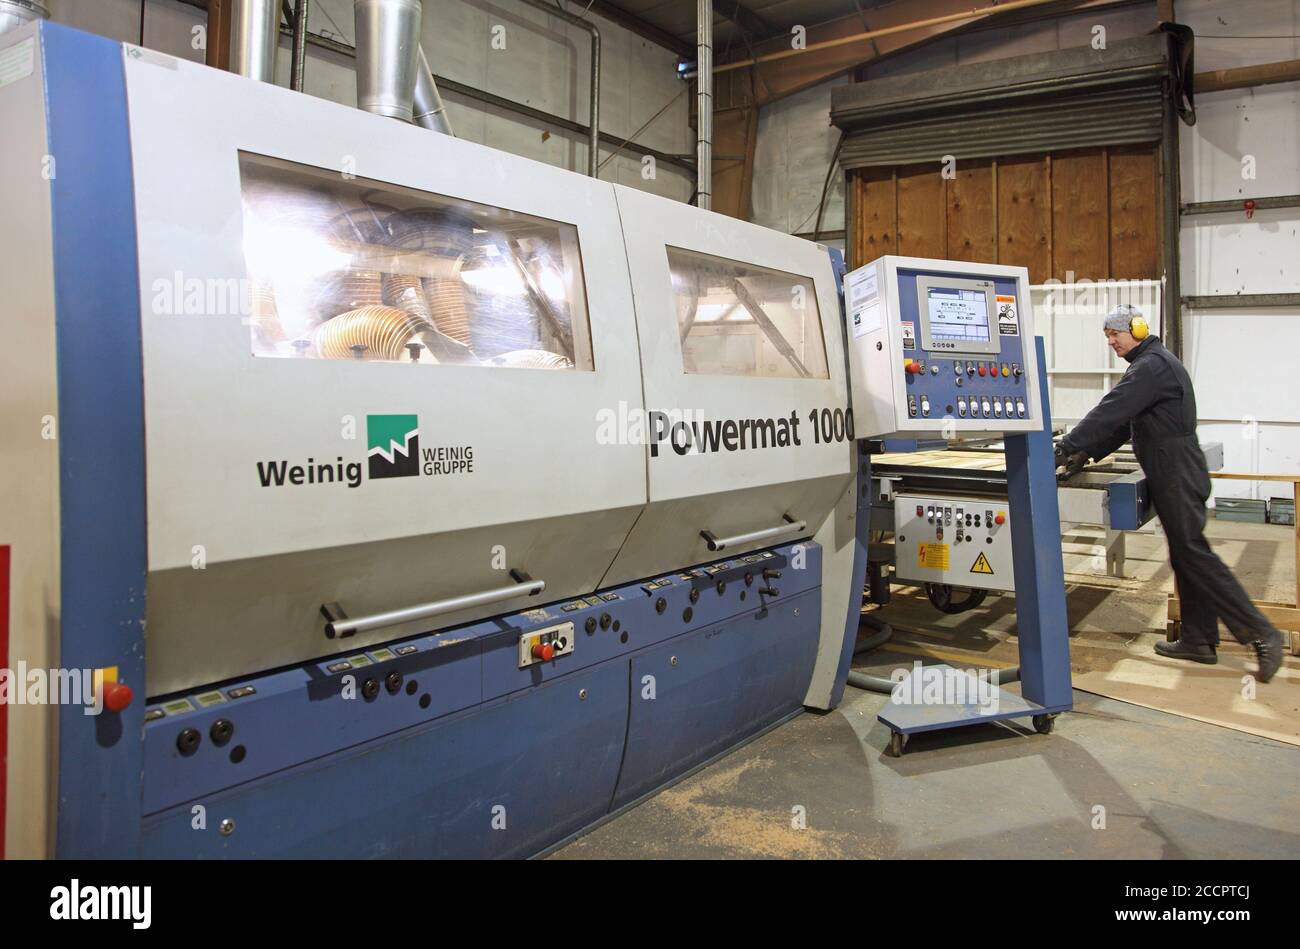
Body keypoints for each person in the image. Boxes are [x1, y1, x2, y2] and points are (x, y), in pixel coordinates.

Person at [1054, 304, 1284, 683]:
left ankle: (1262, 634)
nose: (1110, 342)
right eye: (1107, 336)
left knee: (1195, 554)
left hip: (1175, 469)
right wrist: (1085, 452)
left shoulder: (1151, 366)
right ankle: (1198, 639)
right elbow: (1126, 424)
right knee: (1185, 554)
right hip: (1172, 468)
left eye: (1115, 334)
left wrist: (1067, 445)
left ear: (1138, 329)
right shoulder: (1149, 365)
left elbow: (1112, 409)